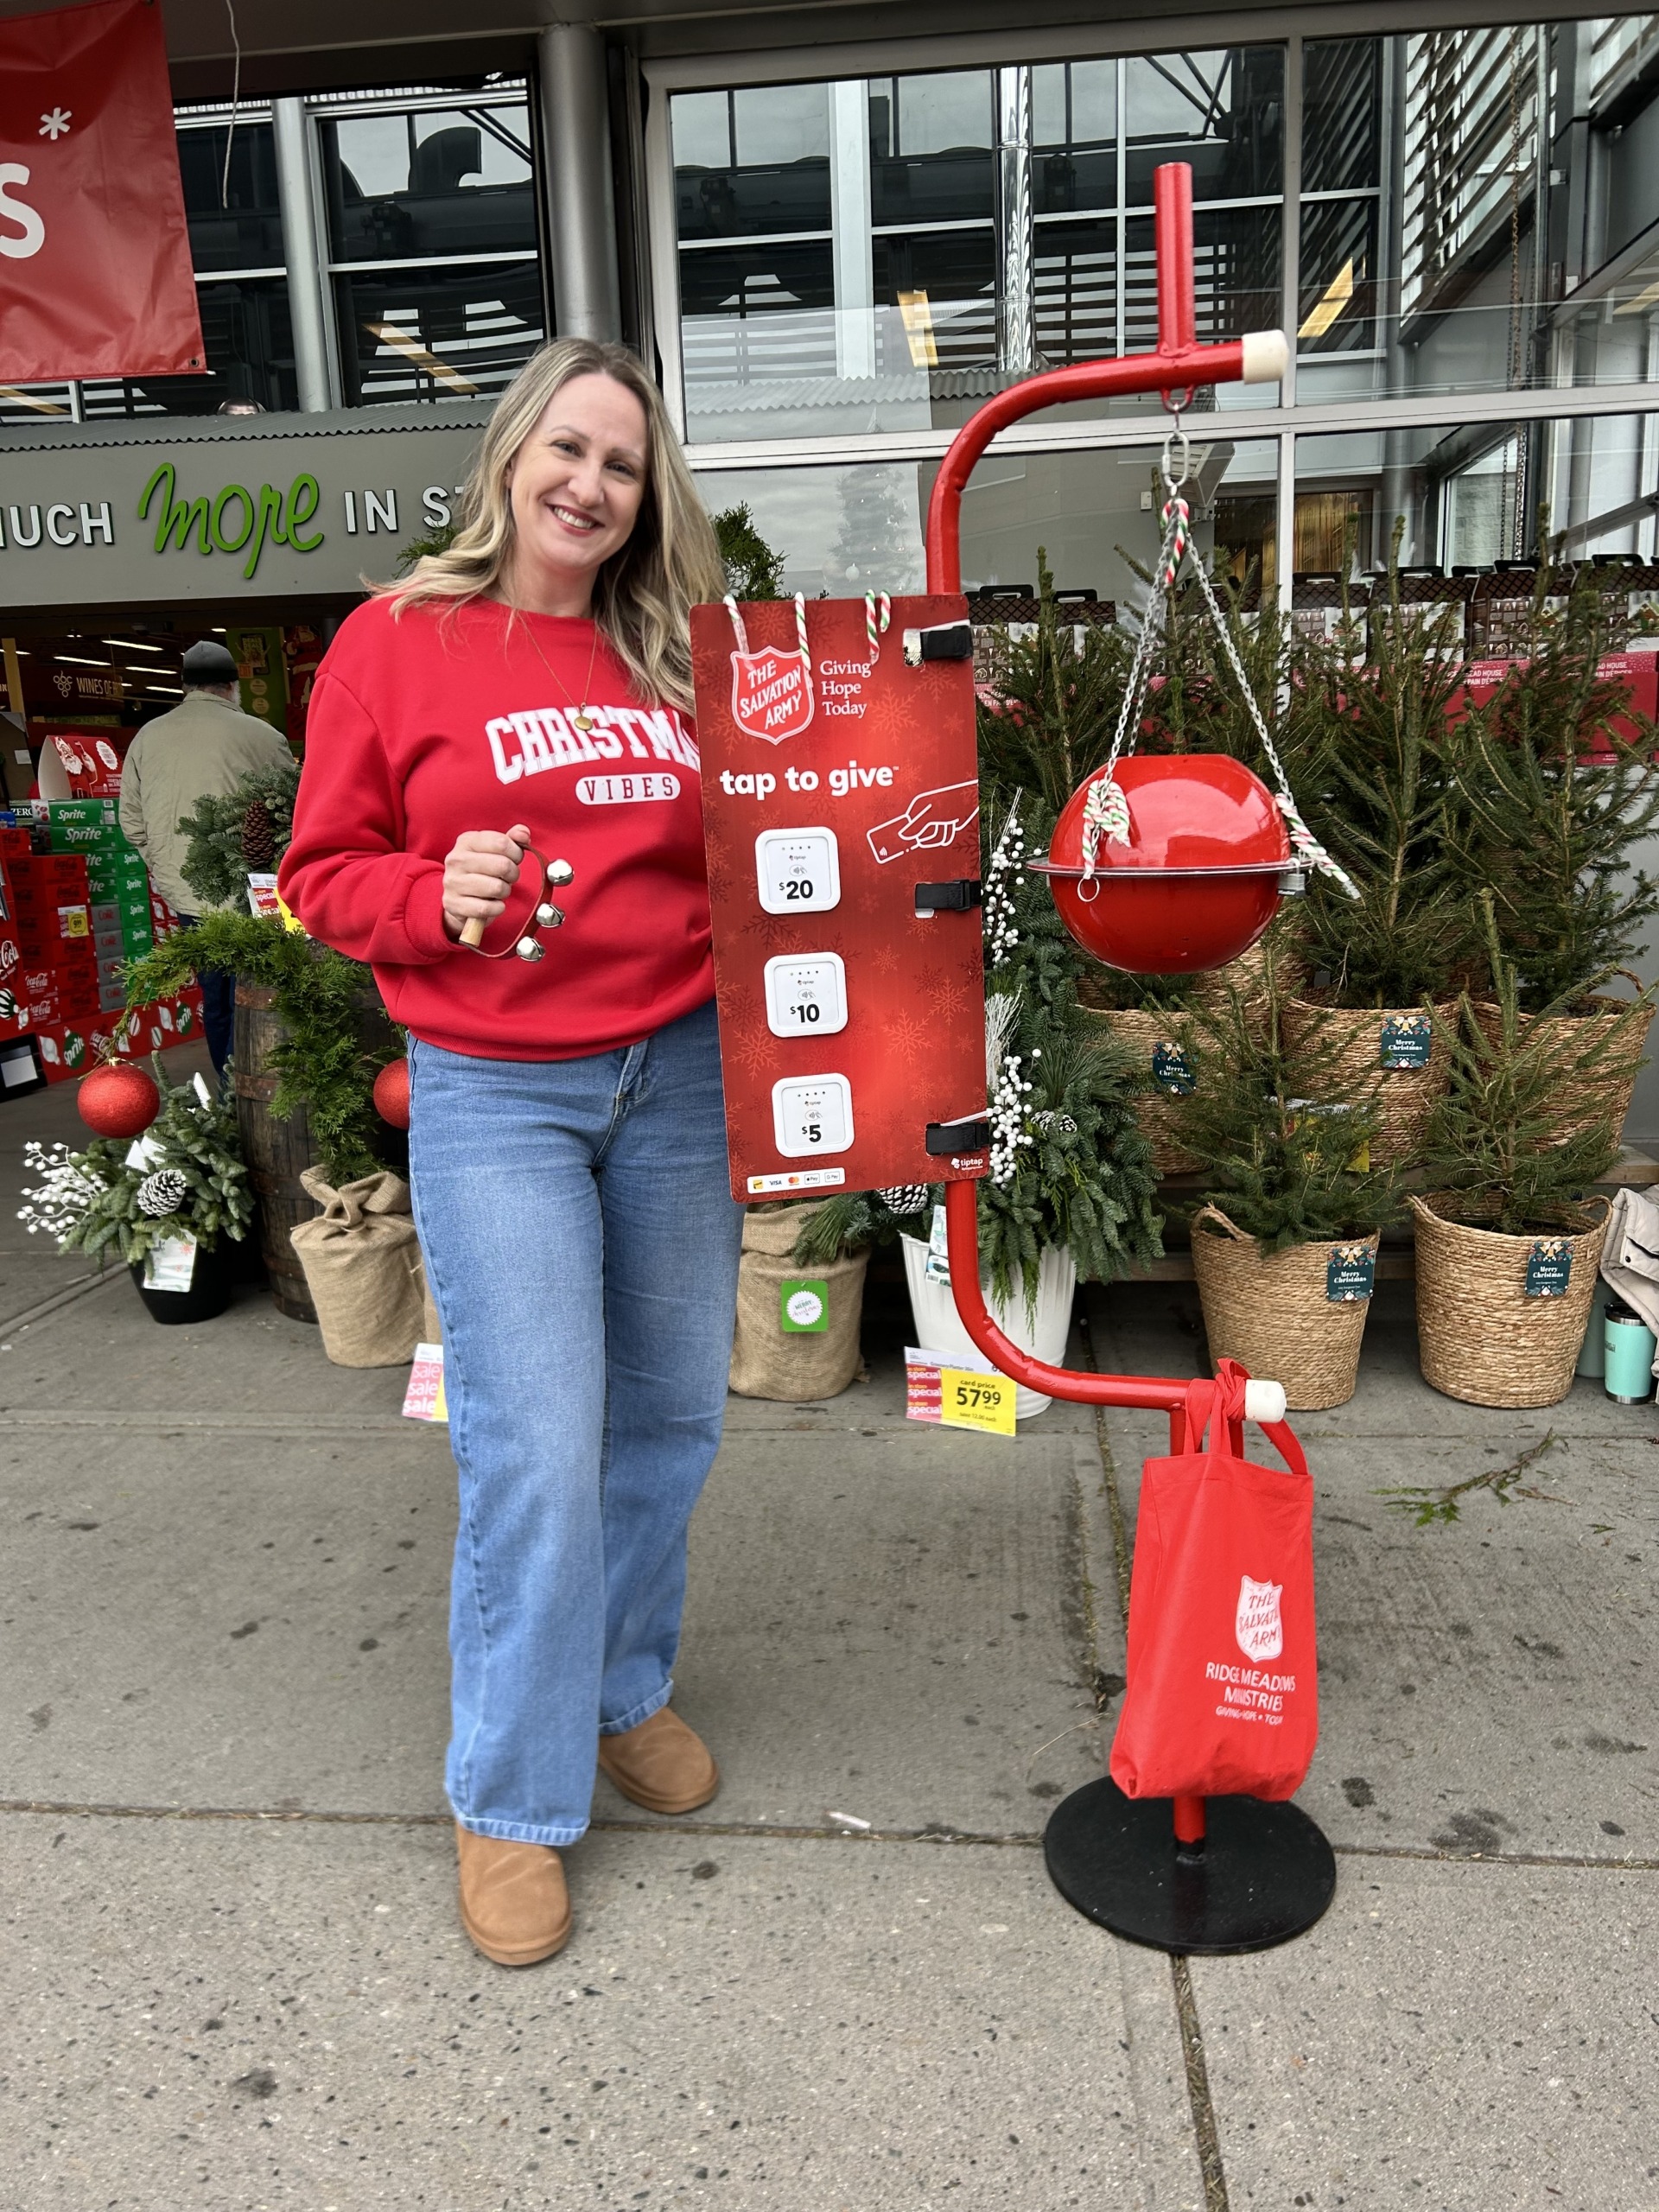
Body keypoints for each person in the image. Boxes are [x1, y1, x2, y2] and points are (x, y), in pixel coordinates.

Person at [277, 338, 741, 1968]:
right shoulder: (397, 642)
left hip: (679, 1077)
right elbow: (321, 873)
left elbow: (773, 837)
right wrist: (430, 893)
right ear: (507, 458)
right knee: (538, 1445)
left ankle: (621, 1693)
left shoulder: (684, 655)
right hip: (497, 1089)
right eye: (565, 449)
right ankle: (512, 1799)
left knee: (671, 1419)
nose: (588, 485)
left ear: (647, 492)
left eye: (621, 463)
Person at [118, 639, 292, 1073]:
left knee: (216, 995)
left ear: (184, 686)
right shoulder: (263, 735)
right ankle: (269, 1086)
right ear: (232, 686)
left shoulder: (147, 737)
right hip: (260, 890)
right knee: (268, 989)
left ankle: (228, 1091)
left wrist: (163, 863)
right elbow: (294, 808)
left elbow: (131, 820)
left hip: (188, 895)